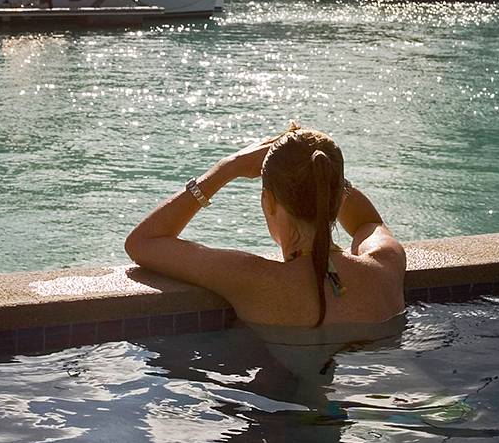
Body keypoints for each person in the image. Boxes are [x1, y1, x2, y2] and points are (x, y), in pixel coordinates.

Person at [124, 124, 405, 334]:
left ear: (268, 200)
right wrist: (324, 174)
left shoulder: (252, 279)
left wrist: (227, 168)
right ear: (338, 195)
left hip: (289, 410)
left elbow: (143, 241)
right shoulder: (385, 265)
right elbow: (368, 223)